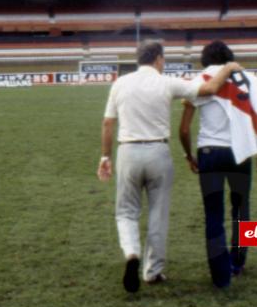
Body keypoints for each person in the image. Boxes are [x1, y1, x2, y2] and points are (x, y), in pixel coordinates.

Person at [99, 40, 242, 293]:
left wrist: (105, 158)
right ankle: (153, 271)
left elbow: (108, 124)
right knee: (158, 214)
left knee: (126, 212)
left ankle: (131, 253)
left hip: (128, 151)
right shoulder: (167, 82)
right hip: (158, 151)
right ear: (158, 59)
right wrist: (229, 67)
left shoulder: (120, 83)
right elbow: (209, 88)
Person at [178, 40, 257, 289]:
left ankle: (221, 277)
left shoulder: (200, 80)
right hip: (240, 153)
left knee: (213, 215)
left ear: (205, 59)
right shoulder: (249, 80)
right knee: (241, 210)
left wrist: (188, 155)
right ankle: (238, 263)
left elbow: (184, 129)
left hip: (209, 152)